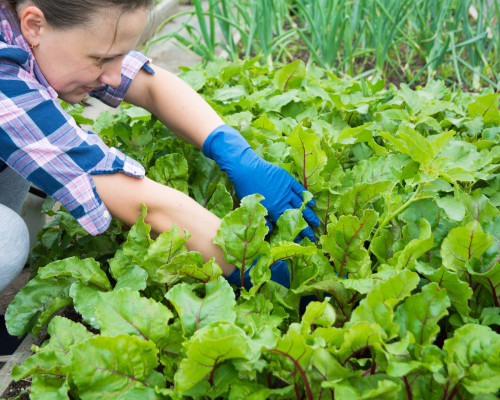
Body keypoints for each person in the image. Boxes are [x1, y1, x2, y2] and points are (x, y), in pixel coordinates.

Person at [0, 0, 320, 300]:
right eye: (101, 59)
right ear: (35, 25)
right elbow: (141, 203)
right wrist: (251, 260)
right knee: (8, 241)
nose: (113, 75)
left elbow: (150, 84)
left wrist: (236, 152)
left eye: (120, 55)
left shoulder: (44, 28)